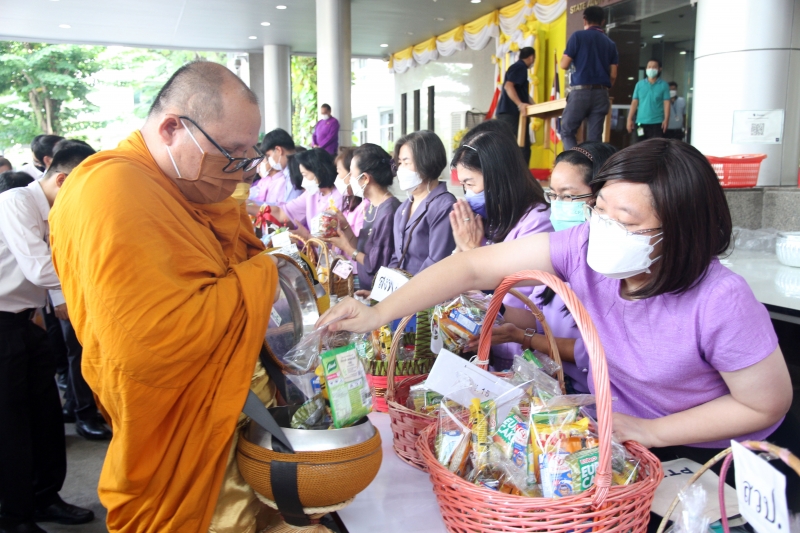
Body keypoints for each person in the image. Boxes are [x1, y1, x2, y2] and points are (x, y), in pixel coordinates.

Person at [320, 138, 798, 517]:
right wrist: (380, 314)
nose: (602, 226)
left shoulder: (720, 299)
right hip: (616, 436)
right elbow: (471, 269)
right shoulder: (585, 246)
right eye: (600, 208)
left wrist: (652, 431)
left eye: (624, 220)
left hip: (711, 456)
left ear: (679, 228)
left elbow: (764, 402)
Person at [49, 61, 280, 533]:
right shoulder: (110, 189)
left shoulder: (189, 190)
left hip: (225, 412)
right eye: (230, 154)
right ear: (172, 128)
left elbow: (229, 260)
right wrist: (262, 274)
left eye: (247, 156)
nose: (241, 173)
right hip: (173, 427)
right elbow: (151, 341)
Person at [0, 143, 97, 533]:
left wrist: (49, 306)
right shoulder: (15, 204)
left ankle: (45, 498)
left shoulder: (58, 209)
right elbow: (41, 268)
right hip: (3, 325)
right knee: (11, 427)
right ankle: (13, 517)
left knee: (46, 420)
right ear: (62, 180)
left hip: (27, 320)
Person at [469, 142, 618, 385]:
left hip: (590, 395)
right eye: (553, 195)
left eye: (568, 196)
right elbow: (537, 316)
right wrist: (492, 308)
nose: (558, 205)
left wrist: (522, 338)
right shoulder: (561, 252)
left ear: (602, 197)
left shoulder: (612, 268)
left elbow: (590, 351)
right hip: (551, 384)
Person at [325, 143, 401, 290]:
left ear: (365, 178)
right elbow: (361, 247)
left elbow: (375, 264)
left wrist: (346, 248)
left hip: (378, 292)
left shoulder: (388, 212)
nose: (348, 180)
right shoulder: (372, 205)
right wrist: (344, 225)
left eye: (352, 175)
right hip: (367, 288)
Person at [388, 130, 456, 275]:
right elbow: (397, 256)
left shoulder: (444, 206)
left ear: (426, 162)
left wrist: (405, 293)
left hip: (426, 292)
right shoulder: (403, 207)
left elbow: (435, 263)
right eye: (399, 163)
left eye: (406, 162)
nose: (400, 169)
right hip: (403, 291)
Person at [559, 5, 619, 150]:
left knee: (567, 130)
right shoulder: (610, 43)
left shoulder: (577, 36)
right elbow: (613, 74)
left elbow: (564, 65)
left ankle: (576, 161)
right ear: (603, 21)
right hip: (601, 93)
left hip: (580, 91)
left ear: (584, 19)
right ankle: (592, 168)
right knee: (594, 138)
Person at [269, 148, 343, 239]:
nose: (303, 183)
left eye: (305, 175)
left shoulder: (339, 197)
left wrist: (307, 237)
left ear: (319, 172)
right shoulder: (312, 194)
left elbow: (334, 241)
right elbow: (283, 212)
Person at [494, 47, 535, 164]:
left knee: (510, 147)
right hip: (511, 114)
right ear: (531, 57)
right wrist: (520, 104)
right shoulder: (520, 67)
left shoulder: (516, 67)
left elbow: (523, 95)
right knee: (522, 148)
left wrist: (538, 107)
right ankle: (521, 179)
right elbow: (508, 86)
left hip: (506, 113)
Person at [248, 128, 301, 213]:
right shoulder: (288, 171)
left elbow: (289, 208)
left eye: (269, 156)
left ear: (278, 150)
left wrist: (250, 205)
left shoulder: (296, 170)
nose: (269, 160)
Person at [627, 59, 670, 140]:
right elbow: (634, 102)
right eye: (649, 67)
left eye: (654, 67)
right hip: (640, 122)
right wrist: (629, 119)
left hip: (657, 123)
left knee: (655, 149)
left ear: (659, 69)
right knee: (639, 147)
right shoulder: (639, 84)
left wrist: (666, 120)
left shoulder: (664, 85)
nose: (651, 69)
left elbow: (666, 103)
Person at [334, 147, 369, 238]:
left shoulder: (365, 207)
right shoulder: (349, 200)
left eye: (339, 172)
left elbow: (357, 246)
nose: (337, 177)